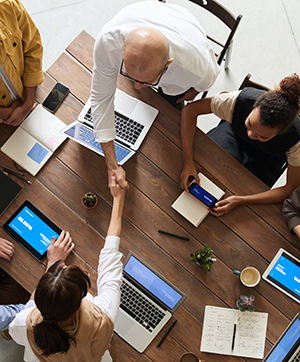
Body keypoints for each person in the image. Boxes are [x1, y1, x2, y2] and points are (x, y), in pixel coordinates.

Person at [91, 1, 220, 190]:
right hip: (147, 13)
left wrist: (191, 92)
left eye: (146, 82)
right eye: (129, 75)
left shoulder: (198, 68)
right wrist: (112, 163)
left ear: (168, 65)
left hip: (183, 28)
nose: (137, 87)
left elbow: (203, 84)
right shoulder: (107, 42)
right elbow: (101, 99)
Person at [9, 174, 125, 362]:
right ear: (80, 301)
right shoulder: (102, 316)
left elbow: (17, 333)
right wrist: (119, 198)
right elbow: (111, 260)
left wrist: (52, 264)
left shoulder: (25, 323)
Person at [180, 73, 300, 216]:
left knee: (240, 206)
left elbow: (289, 189)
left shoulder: (296, 140)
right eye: (249, 124)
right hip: (233, 135)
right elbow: (190, 110)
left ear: (281, 133)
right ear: (254, 107)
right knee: (204, 170)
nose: (251, 135)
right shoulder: (239, 101)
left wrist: (240, 200)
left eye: (262, 136)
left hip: (269, 159)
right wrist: (187, 161)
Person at [0, 0, 44, 126]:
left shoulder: (7, 5)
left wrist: (28, 102)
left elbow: (33, 48)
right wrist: (3, 114)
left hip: (30, 97)